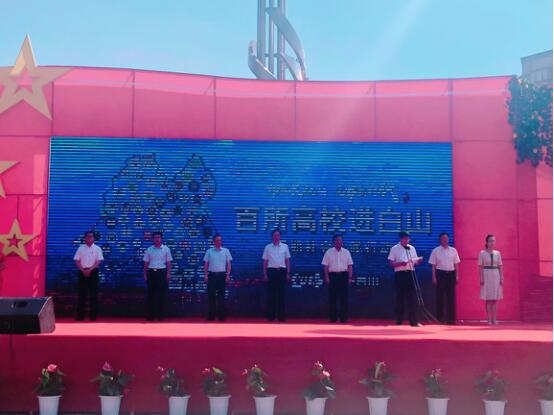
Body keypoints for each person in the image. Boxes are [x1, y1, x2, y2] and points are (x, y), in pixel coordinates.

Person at [388, 231, 423, 327]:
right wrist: (400, 263)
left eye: (408, 239)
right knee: (400, 297)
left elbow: (415, 261)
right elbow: (391, 263)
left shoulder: (412, 248)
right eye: (405, 238)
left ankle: (413, 321)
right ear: (401, 239)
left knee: (412, 298)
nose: (407, 240)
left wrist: (418, 261)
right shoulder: (394, 248)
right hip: (400, 274)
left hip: (411, 273)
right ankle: (399, 320)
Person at [429, 233, 461, 325]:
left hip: (451, 274)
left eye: (446, 238)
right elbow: (433, 265)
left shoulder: (453, 250)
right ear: (440, 240)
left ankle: (451, 319)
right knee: (440, 297)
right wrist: (434, 277)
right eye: (443, 238)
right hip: (440, 274)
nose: (445, 240)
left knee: (451, 297)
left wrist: (457, 276)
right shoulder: (435, 251)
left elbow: (456, 264)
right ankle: (440, 318)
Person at [322, 234, 353, 323]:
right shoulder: (328, 252)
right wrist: (327, 277)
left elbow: (350, 266)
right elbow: (325, 266)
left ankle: (343, 318)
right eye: (337, 240)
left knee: (344, 298)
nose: (339, 242)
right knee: (333, 298)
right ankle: (333, 318)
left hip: (343, 276)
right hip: (333, 276)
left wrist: (350, 278)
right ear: (333, 242)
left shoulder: (346, 252)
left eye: (340, 240)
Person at [73, 231, 104, 321]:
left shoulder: (97, 248)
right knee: (81, 294)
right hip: (82, 272)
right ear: (85, 238)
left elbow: (98, 261)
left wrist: (90, 270)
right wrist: (83, 270)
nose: (89, 238)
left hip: (93, 272)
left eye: (91, 236)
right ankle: (80, 316)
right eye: (88, 236)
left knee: (93, 294)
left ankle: (93, 316)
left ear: (94, 238)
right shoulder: (81, 248)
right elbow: (77, 261)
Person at [262, 229, 291, 322]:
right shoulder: (267, 247)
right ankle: (271, 316)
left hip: (282, 271)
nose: (276, 237)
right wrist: (265, 274)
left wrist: (288, 273)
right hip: (271, 272)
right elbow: (265, 262)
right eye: (274, 235)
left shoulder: (285, 246)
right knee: (271, 295)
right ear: (272, 236)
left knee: (281, 295)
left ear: (280, 236)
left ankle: (281, 317)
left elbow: (287, 261)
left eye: (278, 235)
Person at [143, 231, 172, 321]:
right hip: (151, 273)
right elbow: (146, 263)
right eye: (155, 237)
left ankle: (160, 316)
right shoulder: (149, 249)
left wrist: (168, 274)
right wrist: (145, 275)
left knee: (161, 295)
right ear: (153, 239)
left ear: (161, 239)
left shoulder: (166, 249)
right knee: (151, 295)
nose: (157, 239)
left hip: (162, 273)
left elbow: (168, 263)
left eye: (158, 237)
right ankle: (150, 316)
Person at [203, 234, 232, 322]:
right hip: (212, 275)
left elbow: (228, 264)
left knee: (221, 296)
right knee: (211, 296)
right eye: (217, 240)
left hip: (222, 276)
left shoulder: (226, 251)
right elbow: (206, 264)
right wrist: (205, 274)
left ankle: (221, 316)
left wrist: (228, 275)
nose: (219, 242)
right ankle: (211, 316)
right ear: (214, 241)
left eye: (220, 240)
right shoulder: (209, 251)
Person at [479, 234, 504, 325]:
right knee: (488, 299)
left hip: (496, 275)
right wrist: (481, 278)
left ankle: (494, 319)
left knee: (495, 299)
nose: (492, 243)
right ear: (486, 242)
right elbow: (480, 267)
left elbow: (500, 266)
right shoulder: (482, 253)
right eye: (490, 241)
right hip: (487, 275)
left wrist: (501, 277)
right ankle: (489, 319)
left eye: (493, 241)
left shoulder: (498, 253)